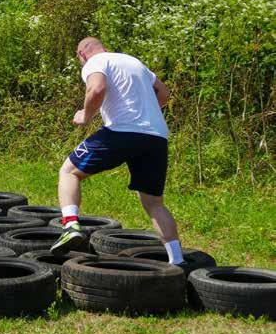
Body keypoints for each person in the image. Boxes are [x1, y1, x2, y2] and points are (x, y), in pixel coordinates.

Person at [51, 37, 184, 265]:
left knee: (69, 171)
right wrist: (145, 112)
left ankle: (71, 225)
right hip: (156, 137)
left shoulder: (95, 62)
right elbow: (164, 93)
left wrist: (86, 115)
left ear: (82, 55)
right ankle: (178, 261)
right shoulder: (134, 62)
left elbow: (97, 88)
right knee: (154, 203)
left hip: (122, 132)